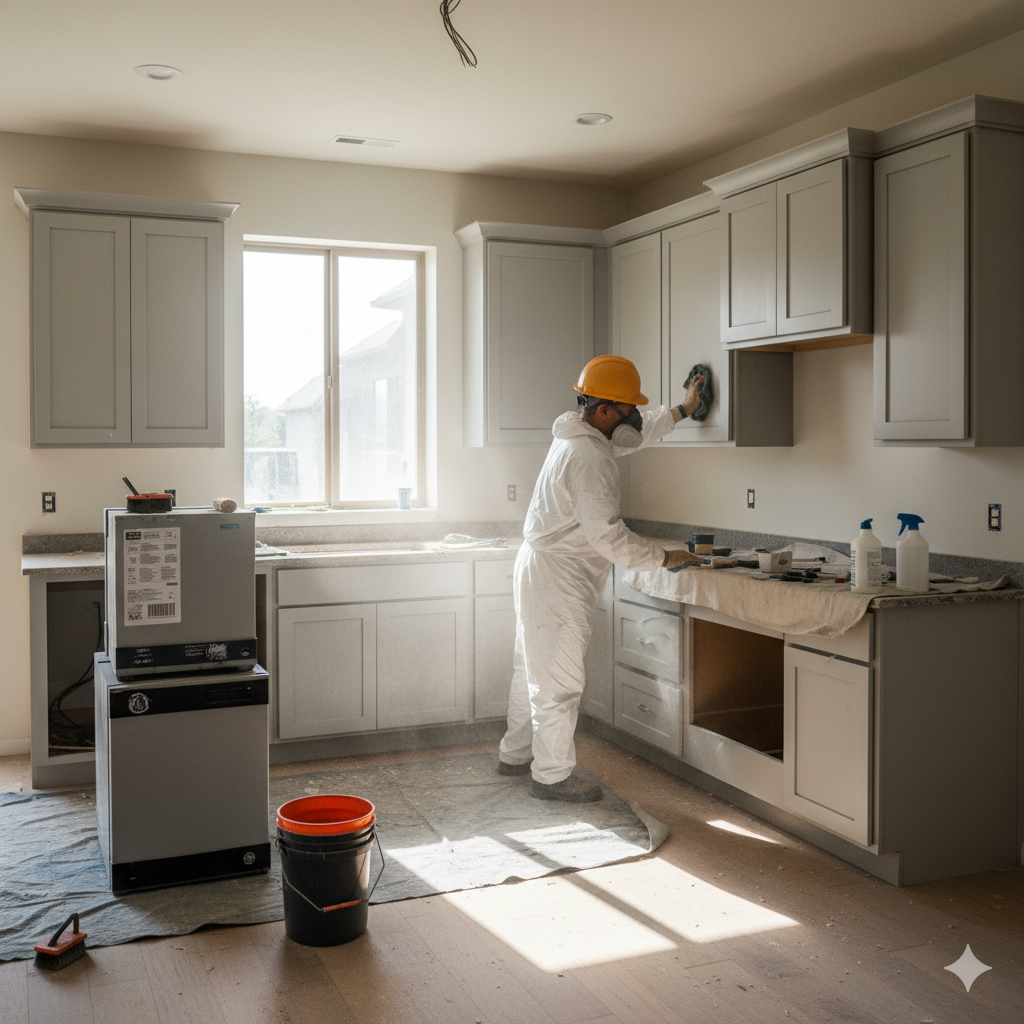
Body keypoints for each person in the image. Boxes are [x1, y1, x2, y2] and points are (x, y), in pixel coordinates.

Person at [498, 355, 705, 802]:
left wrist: (683, 410)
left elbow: (639, 434)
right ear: (605, 409)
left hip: (541, 566)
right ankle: (551, 777)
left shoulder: (580, 436)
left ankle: (514, 755)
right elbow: (610, 538)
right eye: (628, 409)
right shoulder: (590, 456)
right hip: (559, 577)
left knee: (530, 669)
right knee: (558, 681)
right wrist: (663, 556)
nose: (633, 416)